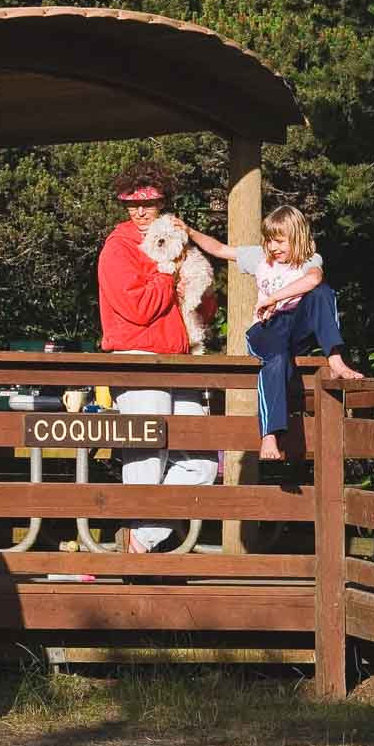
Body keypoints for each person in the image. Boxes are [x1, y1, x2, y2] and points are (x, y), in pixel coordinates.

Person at [96, 161, 219, 552]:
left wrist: (199, 290)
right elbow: (138, 309)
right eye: (132, 204)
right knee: (147, 459)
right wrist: (167, 274)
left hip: (179, 359)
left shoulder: (177, 236)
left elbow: (205, 309)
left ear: (163, 201)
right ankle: (139, 554)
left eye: (148, 203)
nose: (140, 211)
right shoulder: (118, 248)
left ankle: (139, 538)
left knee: (203, 465)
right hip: (137, 356)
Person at [187, 205, 364, 460]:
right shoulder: (259, 257)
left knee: (322, 293)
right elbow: (219, 249)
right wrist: (190, 231)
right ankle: (270, 434)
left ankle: (335, 358)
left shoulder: (310, 260)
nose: (273, 247)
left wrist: (273, 297)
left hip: (294, 327)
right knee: (277, 358)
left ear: (298, 238)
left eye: (280, 241)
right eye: (270, 241)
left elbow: (313, 280)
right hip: (265, 329)